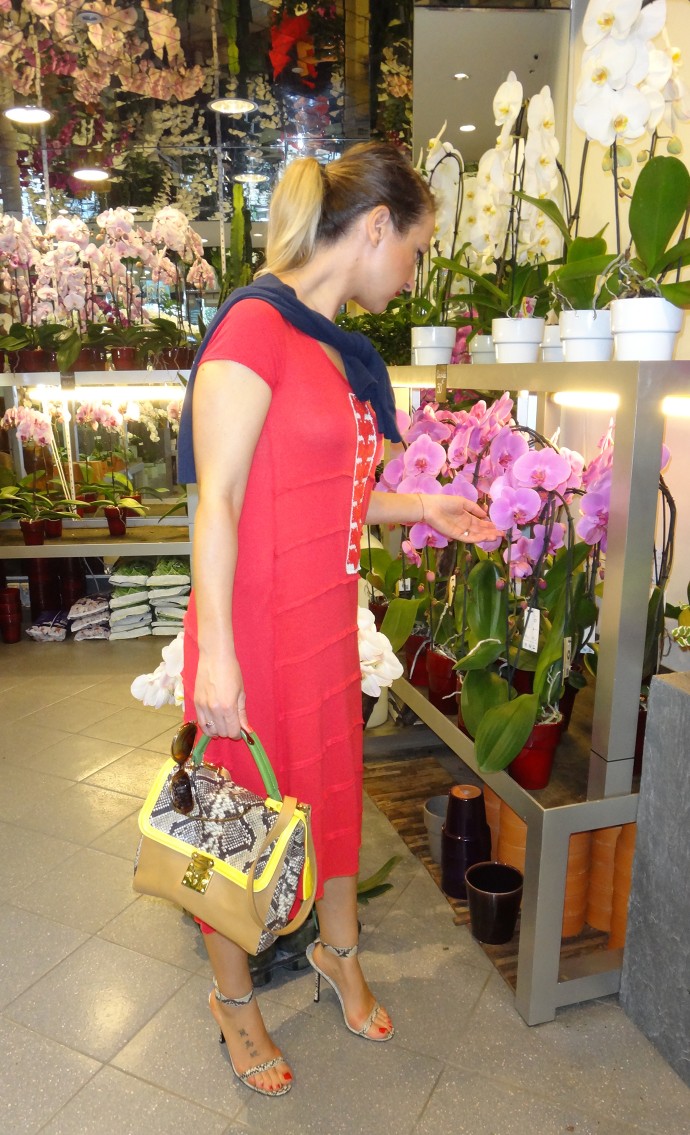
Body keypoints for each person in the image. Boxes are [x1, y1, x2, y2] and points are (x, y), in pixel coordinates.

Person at [177, 141, 500, 1098]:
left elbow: (335, 492)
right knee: (236, 818)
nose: (413, 273)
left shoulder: (329, 343)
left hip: (323, 625)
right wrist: (217, 656)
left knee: (331, 796)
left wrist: (425, 505)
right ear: (374, 227)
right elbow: (217, 500)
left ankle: (337, 951)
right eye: (415, 250)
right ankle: (233, 1001)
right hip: (252, 629)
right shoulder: (254, 329)